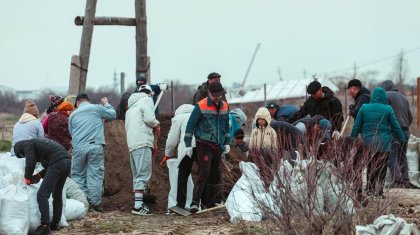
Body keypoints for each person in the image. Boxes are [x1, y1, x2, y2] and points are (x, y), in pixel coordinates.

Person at [351, 87, 405, 198]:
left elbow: (357, 125)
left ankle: (370, 189)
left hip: (367, 143)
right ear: (384, 97)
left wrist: (353, 138)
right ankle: (379, 192)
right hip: (384, 143)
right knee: (382, 167)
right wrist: (402, 138)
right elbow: (396, 126)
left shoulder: (364, 107)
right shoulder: (388, 109)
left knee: (370, 165)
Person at [184, 81, 230, 213]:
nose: (218, 98)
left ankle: (212, 203)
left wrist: (226, 142)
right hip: (204, 144)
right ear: (209, 93)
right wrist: (188, 144)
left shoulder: (225, 106)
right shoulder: (201, 106)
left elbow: (226, 126)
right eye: (215, 96)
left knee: (216, 174)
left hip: (218, 145)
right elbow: (190, 125)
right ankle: (194, 203)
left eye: (220, 96)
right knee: (204, 172)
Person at [69, 92, 116, 212]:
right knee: (95, 174)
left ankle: (82, 203)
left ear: (78, 103)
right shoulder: (96, 108)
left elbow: (71, 133)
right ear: (87, 100)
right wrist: (106, 104)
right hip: (95, 146)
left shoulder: (73, 115)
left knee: (78, 175)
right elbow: (113, 114)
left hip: (78, 148)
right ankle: (95, 203)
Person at [14, 138, 71, 234]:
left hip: (58, 162)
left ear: (20, 150)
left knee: (42, 195)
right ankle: (56, 223)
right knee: (57, 193)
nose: (24, 156)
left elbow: (30, 162)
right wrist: (38, 176)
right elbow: (50, 165)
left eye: (22, 155)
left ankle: (45, 226)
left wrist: (27, 178)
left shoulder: (27, 144)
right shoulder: (40, 145)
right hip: (67, 162)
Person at [125, 85, 160, 215]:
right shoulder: (146, 100)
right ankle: (138, 206)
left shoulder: (130, 106)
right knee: (143, 173)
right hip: (143, 140)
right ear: (150, 94)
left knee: (137, 174)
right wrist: (157, 125)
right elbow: (150, 119)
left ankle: (138, 203)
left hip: (132, 143)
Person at [381, 80, 414, 188]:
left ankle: (397, 181)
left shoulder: (387, 95)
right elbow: (410, 117)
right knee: (402, 157)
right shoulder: (403, 97)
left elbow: (384, 114)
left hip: (394, 131)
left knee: (392, 156)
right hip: (405, 131)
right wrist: (404, 127)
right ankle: (405, 180)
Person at [164, 104, 195, 211]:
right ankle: (198, 204)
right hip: (202, 146)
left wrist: (168, 153)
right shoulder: (197, 115)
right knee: (203, 175)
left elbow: (172, 139)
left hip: (187, 147)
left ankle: (180, 204)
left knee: (183, 175)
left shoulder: (179, 118)